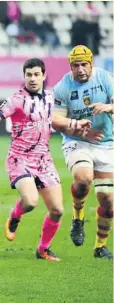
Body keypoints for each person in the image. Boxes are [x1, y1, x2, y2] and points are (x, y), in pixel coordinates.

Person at [0, 58, 92, 261]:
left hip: (43, 160)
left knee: (58, 210)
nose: (32, 79)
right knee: (31, 201)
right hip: (20, 159)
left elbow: (56, 119)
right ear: (24, 77)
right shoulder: (17, 100)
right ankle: (15, 216)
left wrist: (77, 125)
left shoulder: (51, 98)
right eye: (28, 75)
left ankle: (43, 249)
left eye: (36, 74)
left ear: (43, 76)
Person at [52, 45, 113, 259]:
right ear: (70, 67)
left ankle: (100, 246)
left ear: (91, 64)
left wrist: (109, 107)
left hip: (106, 143)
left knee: (108, 201)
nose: (80, 69)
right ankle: (78, 217)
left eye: (84, 64)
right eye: (75, 65)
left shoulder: (106, 79)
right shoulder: (62, 87)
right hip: (77, 141)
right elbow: (56, 121)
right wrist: (80, 129)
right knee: (83, 178)